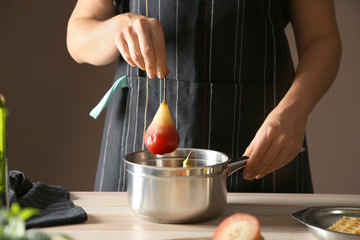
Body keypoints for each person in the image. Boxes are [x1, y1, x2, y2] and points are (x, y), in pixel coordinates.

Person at [66, 0, 341, 192]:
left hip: (258, 148)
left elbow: (322, 38)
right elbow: (77, 35)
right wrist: (116, 28)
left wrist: (295, 111)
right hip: (139, 154)